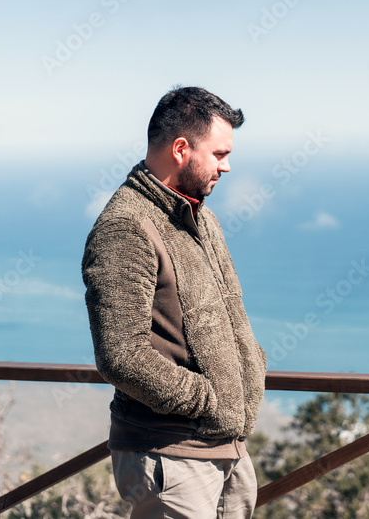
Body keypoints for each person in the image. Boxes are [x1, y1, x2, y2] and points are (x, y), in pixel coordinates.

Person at [82, 86, 267, 518]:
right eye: (219, 154)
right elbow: (120, 354)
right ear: (182, 148)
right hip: (172, 457)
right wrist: (206, 400)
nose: (227, 166)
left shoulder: (200, 217)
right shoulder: (126, 227)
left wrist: (249, 370)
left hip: (225, 448)